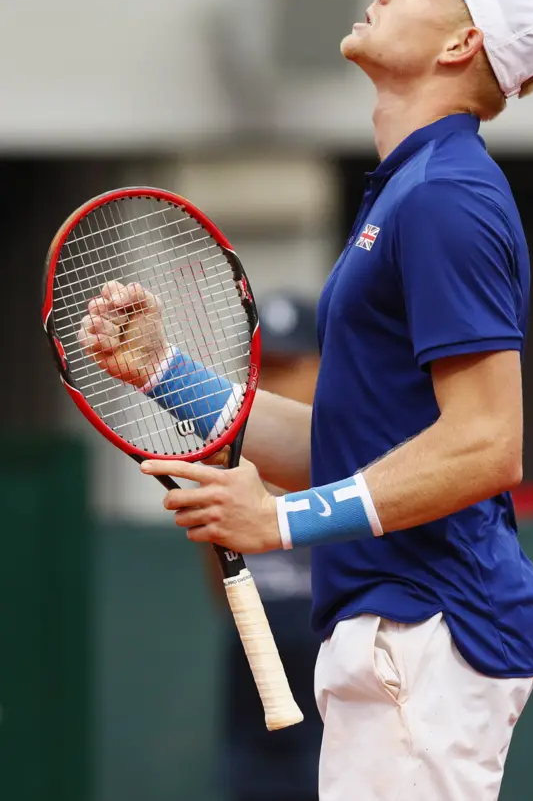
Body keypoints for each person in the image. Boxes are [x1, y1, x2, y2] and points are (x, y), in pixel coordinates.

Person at [79, 0, 533, 801]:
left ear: (460, 47)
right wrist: (166, 375)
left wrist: (282, 523)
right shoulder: (411, 191)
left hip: (427, 632)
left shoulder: (445, 196)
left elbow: (486, 445)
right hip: (399, 636)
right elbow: (348, 445)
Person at [209, 292, 322, 801]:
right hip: (255, 672)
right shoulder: (232, 459)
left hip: (338, 672)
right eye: (262, 367)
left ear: (322, 368)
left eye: (288, 365)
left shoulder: (353, 452)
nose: (271, 382)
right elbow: (222, 590)